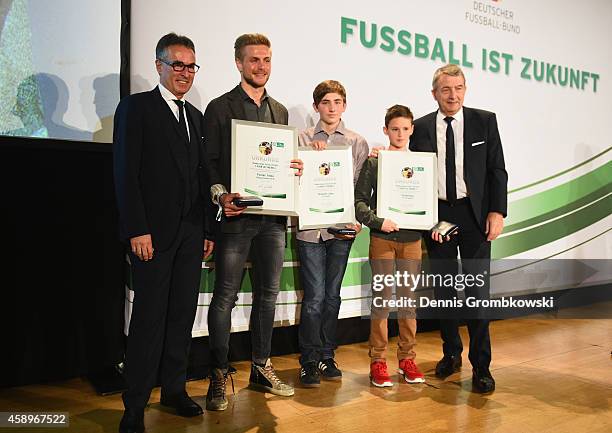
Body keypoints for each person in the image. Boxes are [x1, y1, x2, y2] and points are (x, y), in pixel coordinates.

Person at [113, 33, 214, 433]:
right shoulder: (135, 108)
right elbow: (125, 173)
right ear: (159, 66)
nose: (184, 73)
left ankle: (174, 390)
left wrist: (207, 228)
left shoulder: (197, 116)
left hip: (192, 234)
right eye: (177, 65)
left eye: (191, 66)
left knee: (181, 317)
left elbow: (201, 176)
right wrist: (137, 229)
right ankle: (134, 406)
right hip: (151, 236)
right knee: (148, 322)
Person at [203, 33, 303, 411]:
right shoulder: (219, 106)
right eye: (253, 60)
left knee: (268, 295)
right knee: (225, 296)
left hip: (272, 219)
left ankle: (261, 366)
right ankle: (217, 373)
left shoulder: (280, 111)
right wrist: (220, 196)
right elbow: (210, 164)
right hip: (236, 218)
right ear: (239, 63)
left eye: (266, 59)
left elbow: (280, 160)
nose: (261, 66)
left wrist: (293, 167)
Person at [410, 64, 507, 393]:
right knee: (445, 291)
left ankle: (482, 367)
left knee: (478, 293)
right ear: (434, 93)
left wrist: (497, 211)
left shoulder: (485, 121)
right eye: (446, 89)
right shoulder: (420, 127)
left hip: (474, 216)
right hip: (439, 215)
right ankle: (451, 353)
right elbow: (409, 170)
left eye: (459, 88)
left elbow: (497, 171)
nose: (453, 95)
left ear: (465, 90)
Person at [296, 80, 369, 387]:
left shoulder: (357, 142)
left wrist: (359, 220)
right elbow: (293, 183)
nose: (332, 107)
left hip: (342, 229)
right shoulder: (301, 138)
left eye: (337, 101)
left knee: (332, 297)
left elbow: (360, 190)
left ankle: (327, 356)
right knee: (313, 298)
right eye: (326, 102)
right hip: (310, 229)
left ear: (344, 105)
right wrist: (309, 160)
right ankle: (309, 360)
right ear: (316, 107)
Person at [355, 105, 426, 387]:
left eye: (404, 129)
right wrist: (378, 221)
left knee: (408, 304)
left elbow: (427, 203)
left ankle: (407, 359)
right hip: (382, 239)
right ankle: (378, 362)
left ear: (412, 130)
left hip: (412, 241)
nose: (399, 134)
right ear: (386, 130)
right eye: (394, 129)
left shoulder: (421, 163)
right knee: (382, 303)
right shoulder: (375, 162)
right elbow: (359, 203)